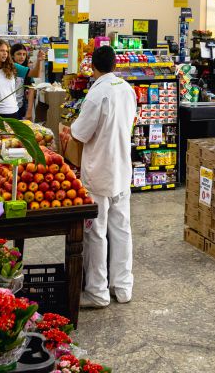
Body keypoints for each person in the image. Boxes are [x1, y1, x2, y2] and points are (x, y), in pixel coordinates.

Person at [60, 45, 137, 308]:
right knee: (122, 229)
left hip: (99, 171)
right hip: (122, 168)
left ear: (93, 67)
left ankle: (98, 291)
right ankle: (123, 287)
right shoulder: (126, 89)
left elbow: (80, 133)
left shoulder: (97, 93)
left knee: (96, 231)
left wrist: (66, 131)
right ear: (115, 65)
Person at [0, 41, 44, 118]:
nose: (5, 53)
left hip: (14, 112)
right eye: (2, 50)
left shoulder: (13, 67)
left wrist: (39, 61)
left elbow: (35, 74)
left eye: (7, 51)